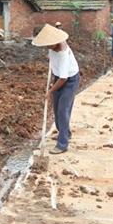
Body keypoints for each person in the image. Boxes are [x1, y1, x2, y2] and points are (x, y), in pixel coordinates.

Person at [32, 24, 80, 155]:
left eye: (49, 45)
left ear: (55, 42)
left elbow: (64, 78)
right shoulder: (52, 45)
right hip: (58, 77)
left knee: (62, 110)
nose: (47, 47)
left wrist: (50, 91)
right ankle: (65, 133)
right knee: (56, 108)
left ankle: (62, 144)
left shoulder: (62, 53)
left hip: (69, 80)